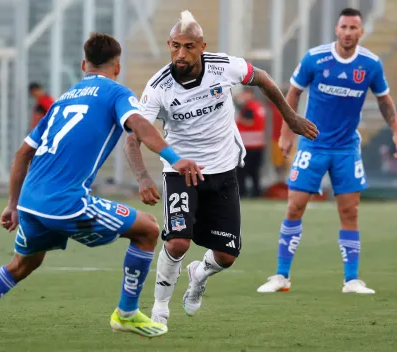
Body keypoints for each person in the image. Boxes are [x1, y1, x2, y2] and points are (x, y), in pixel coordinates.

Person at [0, 33, 204, 344]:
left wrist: (12, 204)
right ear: (117, 66)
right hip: (65, 202)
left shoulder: (63, 99)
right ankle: (126, 314)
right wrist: (174, 157)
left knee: (22, 264)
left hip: (30, 202)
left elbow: (23, 153)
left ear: (83, 65)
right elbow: (140, 125)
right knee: (148, 229)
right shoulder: (116, 92)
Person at [124, 10, 318, 326]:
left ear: (202, 46)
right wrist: (144, 176)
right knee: (177, 241)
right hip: (180, 171)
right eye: (175, 46)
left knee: (226, 256)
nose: (180, 54)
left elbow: (263, 78)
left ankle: (198, 275)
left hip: (224, 170)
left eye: (188, 46)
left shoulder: (223, 66)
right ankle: (160, 308)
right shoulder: (158, 86)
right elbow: (134, 136)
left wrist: (290, 117)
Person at [257, 8, 397, 294]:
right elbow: (293, 93)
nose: (348, 32)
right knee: (295, 206)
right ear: (337, 29)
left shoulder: (370, 64)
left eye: (353, 28)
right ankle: (281, 276)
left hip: (346, 148)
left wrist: (395, 129)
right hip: (312, 143)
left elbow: (384, 100)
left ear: (361, 32)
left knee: (350, 211)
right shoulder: (315, 58)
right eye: (343, 27)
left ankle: (352, 280)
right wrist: (286, 134)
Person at [235, 87, 267, 198]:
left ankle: (243, 192)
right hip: (258, 144)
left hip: (249, 145)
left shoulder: (250, 107)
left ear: (250, 94)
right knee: (254, 171)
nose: (242, 97)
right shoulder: (258, 106)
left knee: (242, 170)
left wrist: (237, 119)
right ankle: (255, 192)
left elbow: (250, 122)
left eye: (244, 94)